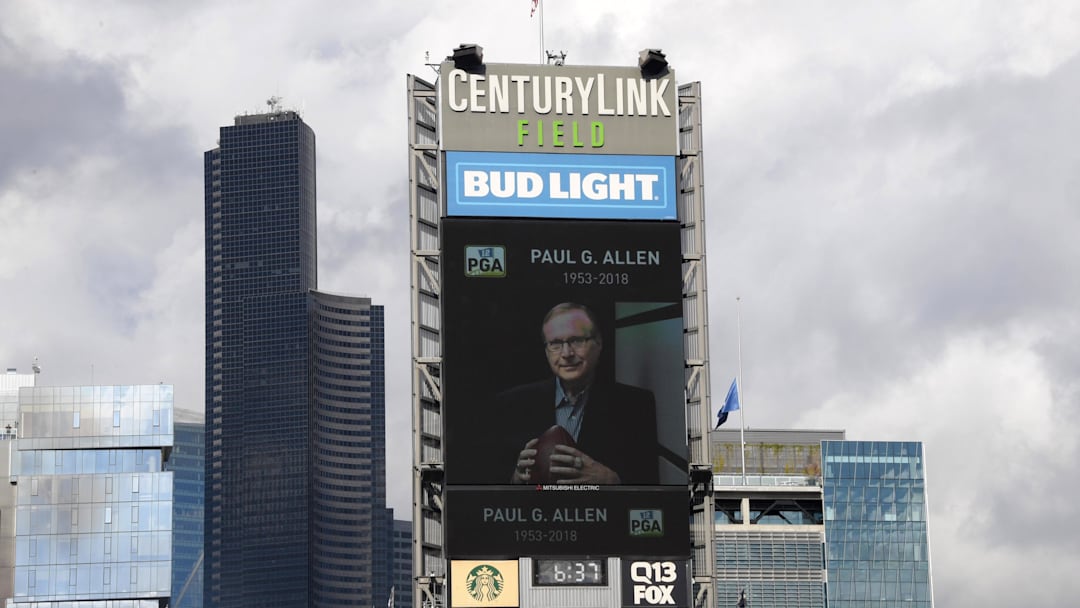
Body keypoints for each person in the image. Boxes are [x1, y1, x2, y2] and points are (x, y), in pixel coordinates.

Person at [492, 302, 660, 485]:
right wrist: (515, 480)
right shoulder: (512, 404)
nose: (566, 353)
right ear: (546, 350)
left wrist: (612, 480)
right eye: (555, 343)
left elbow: (650, 485)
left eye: (577, 340)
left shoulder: (636, 405)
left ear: (599, 343)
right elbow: (490, 484)